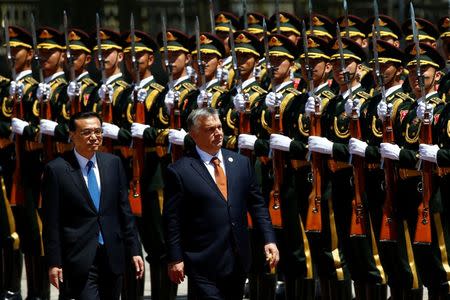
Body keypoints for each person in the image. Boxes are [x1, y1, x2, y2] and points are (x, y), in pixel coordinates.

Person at [163, 107, 279, 299]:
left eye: (219, 127)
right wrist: (174, 258)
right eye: (210, 129)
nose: (218, 133)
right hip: (202, 261)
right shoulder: (180, 170)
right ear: (194, 134)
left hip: (237, 258)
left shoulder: (241, 163)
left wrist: (269, 239)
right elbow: (172, 219)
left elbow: (257, 206)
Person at [41, 111, 144, 299]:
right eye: (87, 132)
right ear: (72, 135)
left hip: (112, 254)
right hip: (78, 257)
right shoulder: (56, 170)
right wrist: (54, 262)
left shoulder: (113, 163)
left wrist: (135, 250)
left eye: (98, 131)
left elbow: (124, 212)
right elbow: (51, 222)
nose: (94, 137)